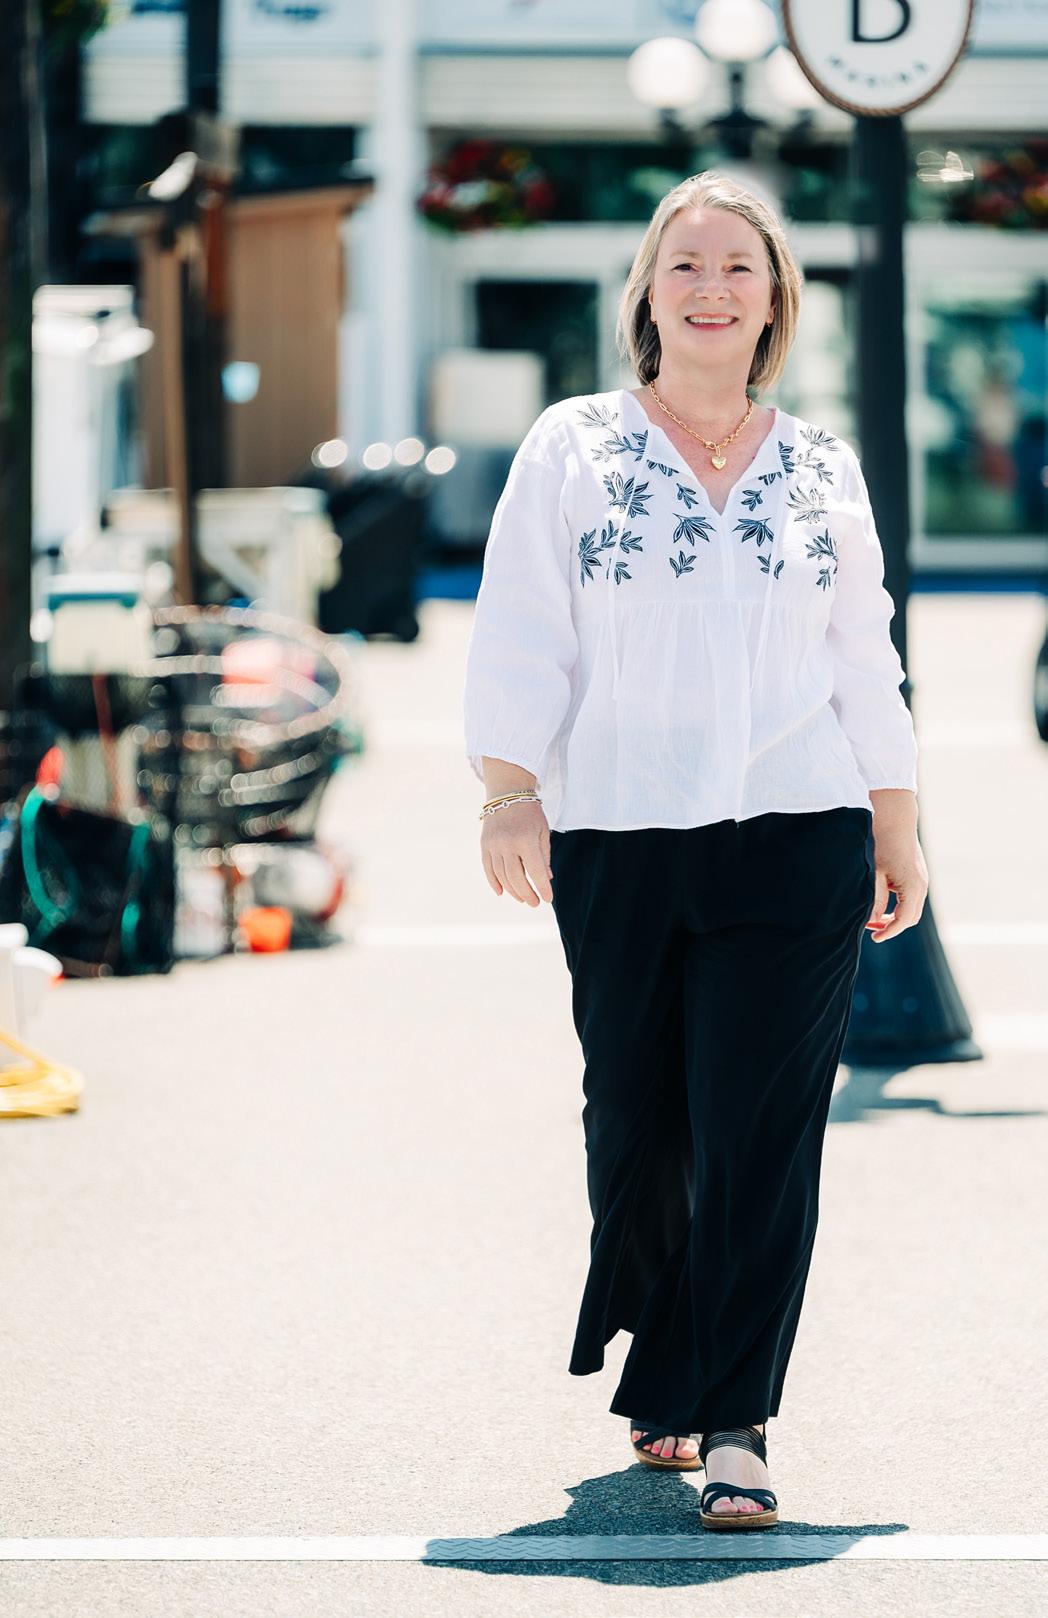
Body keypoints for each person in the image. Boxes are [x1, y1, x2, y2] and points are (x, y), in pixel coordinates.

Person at [461, 170, 928, 1532]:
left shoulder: (822, 463)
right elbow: (520, 624)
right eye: (687, 265)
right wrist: (508, 790)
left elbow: (864, 653)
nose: (712, 288)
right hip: (620, 833)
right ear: (649, 293)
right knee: (641, 1126)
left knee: (759, 1134)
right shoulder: (574, 446)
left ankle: (736, 1418)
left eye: (739, 266)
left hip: (798, 830)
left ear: (775, 297)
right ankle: (668, 1351)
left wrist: (896, 820)